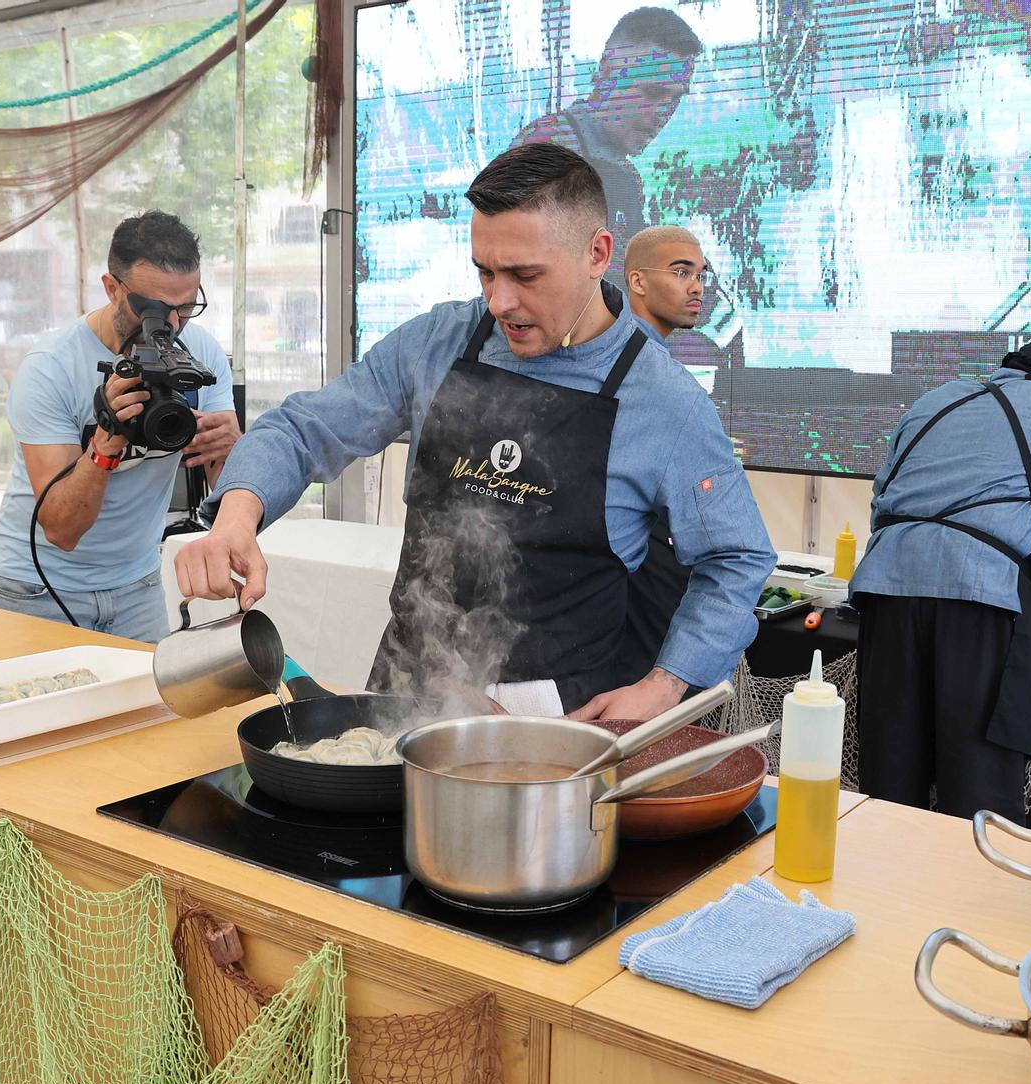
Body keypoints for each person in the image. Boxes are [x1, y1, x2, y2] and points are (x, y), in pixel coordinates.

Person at [174, 143, 774, 720]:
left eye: (524, 274)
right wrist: (235, 519)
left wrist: (663, 686)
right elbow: (303, 430)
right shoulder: (437, 344)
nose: (499, 300)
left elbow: (737, 557)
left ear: (598, 254)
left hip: (553, 725)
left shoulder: (664, 401)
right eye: (484, 272)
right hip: (405, 694)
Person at [849, 341, 1031, 819]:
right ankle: (975, 891)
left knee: (889, 778)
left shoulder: (933, 399)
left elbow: (884, 495)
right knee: (979, 784)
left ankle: (882, 890)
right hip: (985, 602)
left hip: (887, 592)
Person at [0, 211, 240, 643]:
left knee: (148, 712)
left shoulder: (199, 355)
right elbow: (61, 530)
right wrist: (107, 440)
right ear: (111, 288)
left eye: (186, 306)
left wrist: (233, 450)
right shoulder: (52, 369)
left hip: (137, 584)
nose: (174, 324)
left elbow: (224, 487)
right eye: (156, 309)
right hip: (41, 587)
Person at [514, 8, 702, 286]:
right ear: (607, 72)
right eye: (652, 93)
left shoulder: (627, 176)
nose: (663, 113)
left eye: (675, 100)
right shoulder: (547, 147)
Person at [615, 224, 711, 683]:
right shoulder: (628, 366)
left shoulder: (656, 368)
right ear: (636, 280)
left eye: (700, 275)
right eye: (680, 272)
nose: (696, 287)